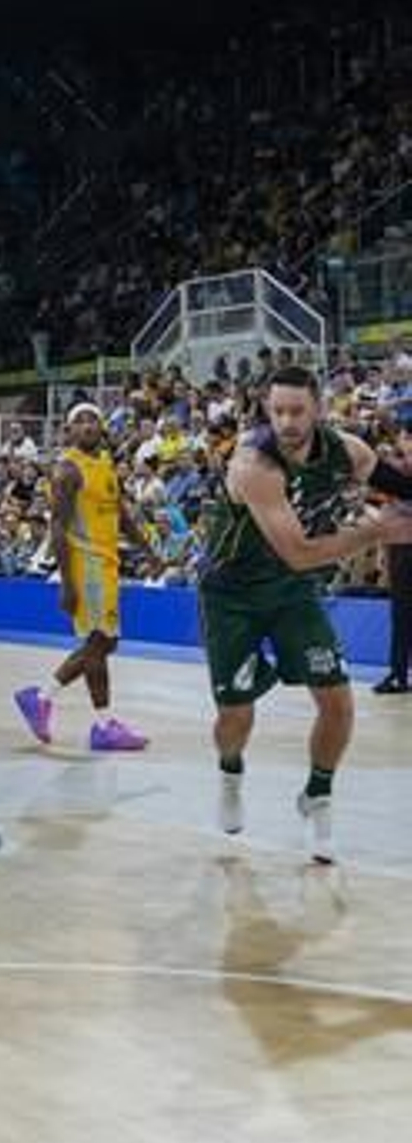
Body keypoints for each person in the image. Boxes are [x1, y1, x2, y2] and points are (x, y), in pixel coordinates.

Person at [199, 365, 412, 861]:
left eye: (297, 410)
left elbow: (400, 487)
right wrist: (376, 532)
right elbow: (299, 552)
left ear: (319, 407)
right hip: (231, 593)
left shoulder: (347, 451)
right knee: (235, 714)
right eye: (278, 411)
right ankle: (230, 773)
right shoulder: (254, 464)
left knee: (338, 702)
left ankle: (318, 796)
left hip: (291, 592)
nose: (288, 421)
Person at [13, 402, 152, 753]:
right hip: (85, 565)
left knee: (102, 644)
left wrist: (148, 549)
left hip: (107, 563)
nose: (88, 425)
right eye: (80, 421)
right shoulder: (67, 470)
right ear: (68, 431)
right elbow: (57, 527)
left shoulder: (105, 463)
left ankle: (103, 726)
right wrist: (67, 582)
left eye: (94, 419)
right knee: (101, 643)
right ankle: (43, 697)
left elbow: (120, 513)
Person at [372, 410, 412, 695]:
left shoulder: (402, 467)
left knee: (402, 611)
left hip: (405, 544)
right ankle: (398, 674)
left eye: (403, 436)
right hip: (399, 542)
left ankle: (398, 675)